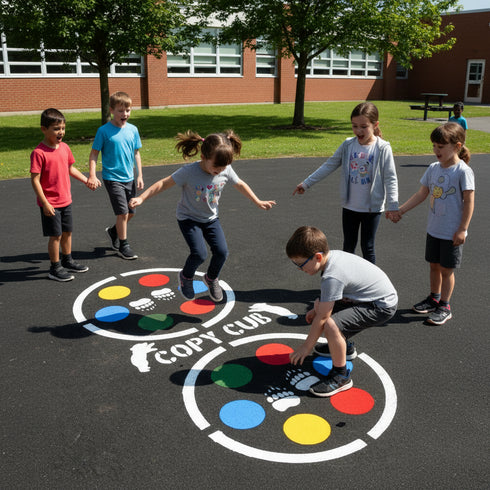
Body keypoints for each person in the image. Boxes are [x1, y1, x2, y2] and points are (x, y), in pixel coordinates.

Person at [129, 130, 276, 302]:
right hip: (188, 219)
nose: (219, 171)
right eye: (216, 167)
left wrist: (257, 201)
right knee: (199, 253)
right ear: (203, 156)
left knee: (222, 252)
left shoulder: (225, 169)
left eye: (223, 168)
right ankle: (186, 277)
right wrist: (141, 197)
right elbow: (163, 183)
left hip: (210, 219)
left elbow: (240, 184)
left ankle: (211, 278)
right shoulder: (188, 172)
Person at [286, 226, 398, 397]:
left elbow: (323, 318)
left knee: (330, 325)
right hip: (368, 297)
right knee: (319, 305)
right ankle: (344, 348)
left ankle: (341, 375)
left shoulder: (333, 276)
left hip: (381, 305)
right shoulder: (331, 257)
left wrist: (306, 347)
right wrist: (317, 311)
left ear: (317, 257)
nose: (300, 269)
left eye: (300, 264)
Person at [389, 122, 474, 325]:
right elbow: (422, 193)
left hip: (452, 232)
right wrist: (401, 210)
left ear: (457, 146)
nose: (436, 150)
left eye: (441, 146)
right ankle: (434, 297)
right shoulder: (434, 168)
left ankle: (445, 305)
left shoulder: (462, 171)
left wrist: (463, 229)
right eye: (434, 146)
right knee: (434, 266)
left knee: (447, 270)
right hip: (434, 229)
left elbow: (469, 201)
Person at [293, 102, 399, 264]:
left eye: (364, 126)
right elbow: (329, 165)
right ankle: (347, 280)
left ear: (375, 125)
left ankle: (370, 284)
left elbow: (390, 177)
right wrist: (306, 183)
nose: (358, 131)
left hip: (372, 208)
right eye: (354, 126)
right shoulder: (348, 145)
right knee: (348, 246)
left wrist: (393, 205)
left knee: (367, 247)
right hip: (350, 206)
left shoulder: (382, 148)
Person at [30, 108, 101, 282]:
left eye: (62, 128)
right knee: (56, 236)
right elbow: (35, 180)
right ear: (43, 129)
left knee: (67, 232)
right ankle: (54, 268)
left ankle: (67, 260)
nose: (60, 132)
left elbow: (70, 168)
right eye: (56, 129)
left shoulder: (65, 148)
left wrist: (86, 180)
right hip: (51, 203)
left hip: (65, 200)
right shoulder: (39, 153)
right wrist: (45, 203)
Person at [88, 91, 144, 260]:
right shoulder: (104, 131)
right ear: (112, 110)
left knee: (131, 212)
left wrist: (139, 175)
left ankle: (114, 231)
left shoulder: (133, 130)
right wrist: (92, 175)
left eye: (127, 110)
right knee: (123, 213)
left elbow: (136, 154)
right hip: (112, 178)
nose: (124, 114)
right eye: (120, 110)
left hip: (129, 178)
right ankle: (123, 244)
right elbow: (94, 154)